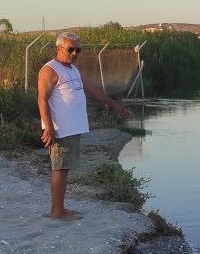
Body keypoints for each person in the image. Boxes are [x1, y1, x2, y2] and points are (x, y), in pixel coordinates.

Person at [37, 31, 132, 219]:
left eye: (77, 50)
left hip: (72, 128)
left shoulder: (72, 69)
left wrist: (115, 105)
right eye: (70, 49)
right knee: (60, 168)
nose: (74, 53)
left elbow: (92, 90)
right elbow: (42, 99)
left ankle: (60, 209)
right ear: (59, 48)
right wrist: (48, 127)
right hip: (60, 129)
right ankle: (57, 212)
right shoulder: (50, 70)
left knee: (64, 168)